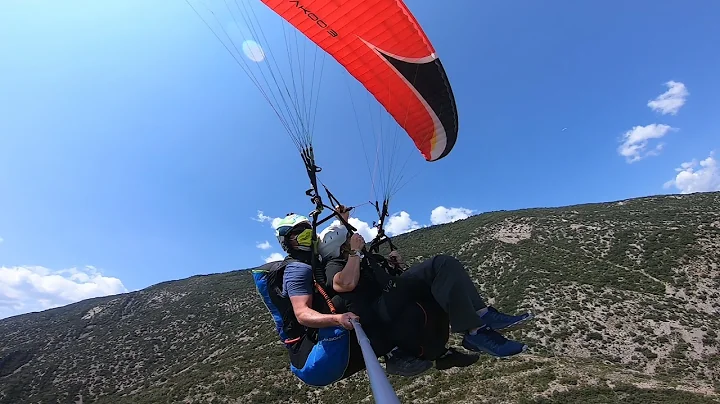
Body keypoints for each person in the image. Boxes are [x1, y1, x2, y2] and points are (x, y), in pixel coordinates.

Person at [318, 210, 534, 363]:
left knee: (447, 272)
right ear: (339, 246)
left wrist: (394, 266)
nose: (356, 238)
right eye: (349, 239)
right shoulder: (334, 263)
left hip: (392, 296)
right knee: (440, 264)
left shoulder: (359, 258)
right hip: (381, 310)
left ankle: (481, 318)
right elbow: (343, 283)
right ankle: (476, 331)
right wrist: (355, 251)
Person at [251, 212, 428, 387]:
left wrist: (342, 220)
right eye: (301, 233)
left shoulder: (313, 261)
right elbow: (302, 314)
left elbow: (329, 242)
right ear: (287, 242)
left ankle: (398, 345)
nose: (308, 235)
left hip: (314, 350)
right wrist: (338, 319)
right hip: (309, 357)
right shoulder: (297, 269)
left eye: (308, 230)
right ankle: (393, 352)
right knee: (351, 297)